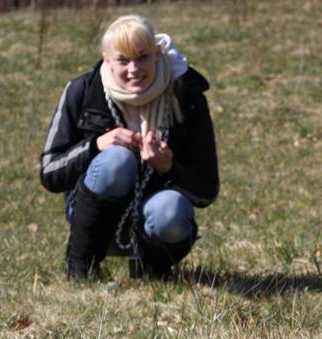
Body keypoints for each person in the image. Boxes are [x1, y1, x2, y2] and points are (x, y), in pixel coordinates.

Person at [40, 15, 218, 280]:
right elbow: (50, 174)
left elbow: (207, 191)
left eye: (142, 57)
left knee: (171, 211)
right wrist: (95, 146)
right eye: (123, 60)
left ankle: (153, 269)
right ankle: (81, 269)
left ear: (157, 54)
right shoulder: (83, 90)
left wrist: (169, 168)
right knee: (117, 161)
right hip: (91, 215)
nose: (134, 69)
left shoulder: (186, 95)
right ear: (107, 60)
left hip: (153, 213)